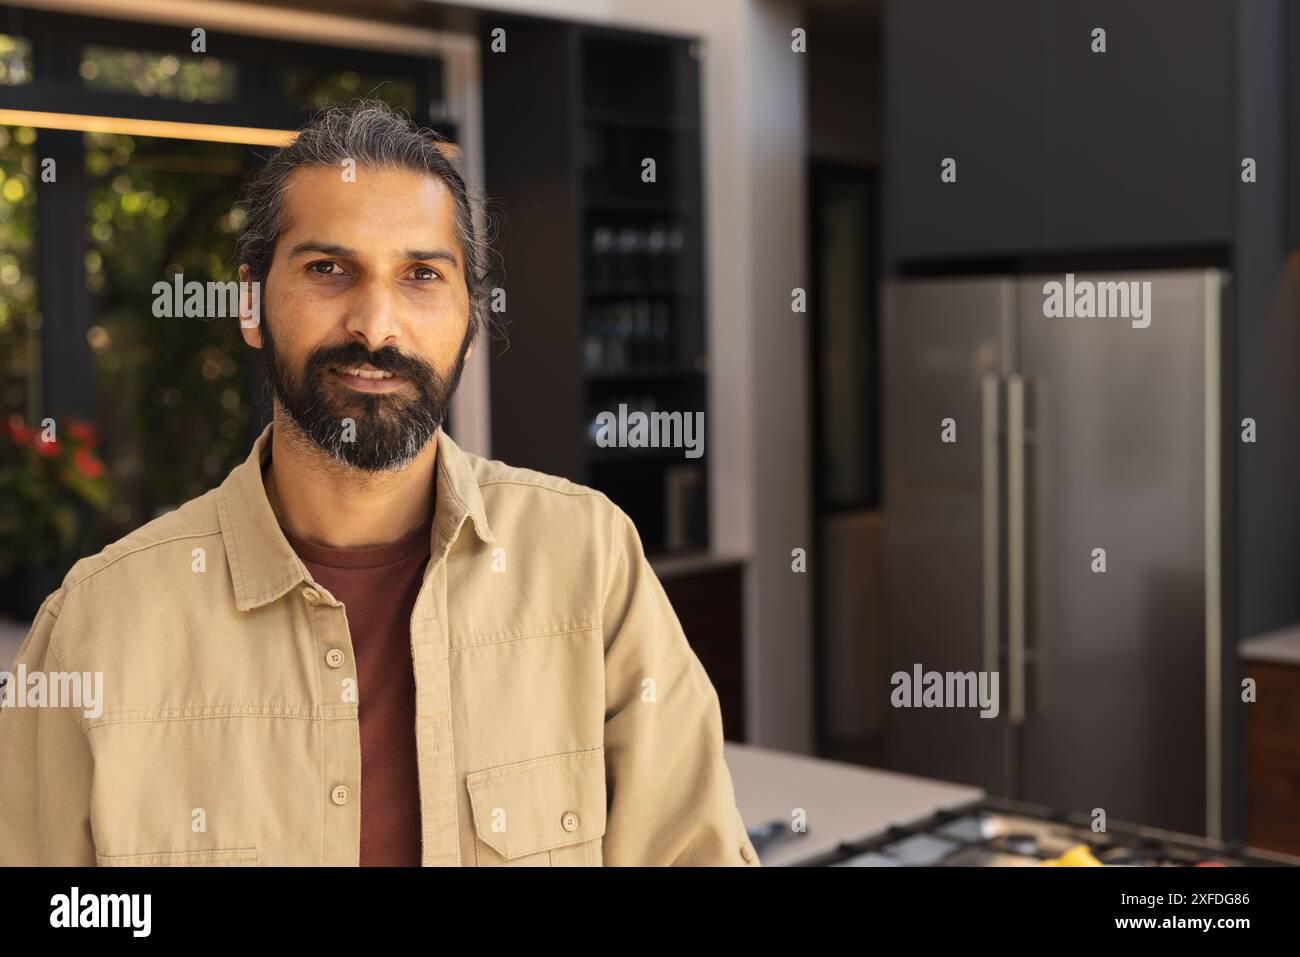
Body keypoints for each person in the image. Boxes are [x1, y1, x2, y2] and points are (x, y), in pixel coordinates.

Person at [0, 101, 759, 867]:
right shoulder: (98, 627)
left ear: (470, 316)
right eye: (329, 269)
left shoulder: (590, 565)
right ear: (250, 303)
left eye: (421, 275)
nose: (377, 325)